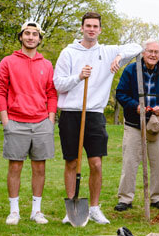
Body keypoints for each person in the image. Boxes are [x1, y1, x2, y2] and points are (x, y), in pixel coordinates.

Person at [53, 12, 142, 225]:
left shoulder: (108, 51)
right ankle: (71, 205)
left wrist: (120, 57)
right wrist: (78, 77)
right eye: (88, 26)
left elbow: (138, 47)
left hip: (94, 113)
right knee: (72, 162)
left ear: (100, 30)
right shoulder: (68, 53)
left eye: (95, 26)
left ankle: (93, 207)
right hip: (71, 112)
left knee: (96, 163)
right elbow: (58, 84)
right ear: (82, 28)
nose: (91, 29)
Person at [0, 21, 57, 225]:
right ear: (21, 37)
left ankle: (36, 211)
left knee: (40, 167)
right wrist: (5, 120)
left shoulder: (46, 65)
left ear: (40, 39)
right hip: (16, 122)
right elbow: (0, 91)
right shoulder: (8, 62)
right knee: (15, 167)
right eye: (27, 34)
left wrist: (50, 119)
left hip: (41, 123)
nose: (31, 37)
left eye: (35, 34)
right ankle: (14, 211)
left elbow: (51, 93)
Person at [114, 39, 159, 211]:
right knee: (130, 162)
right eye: (149, 51)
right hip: (134, 124)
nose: (153, 55)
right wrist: (135, 106)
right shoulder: (131, 70)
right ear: (143, 53)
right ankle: (125, 199)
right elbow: (120, 93)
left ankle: (157, 198)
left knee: (157, 163)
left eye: (156, 52)